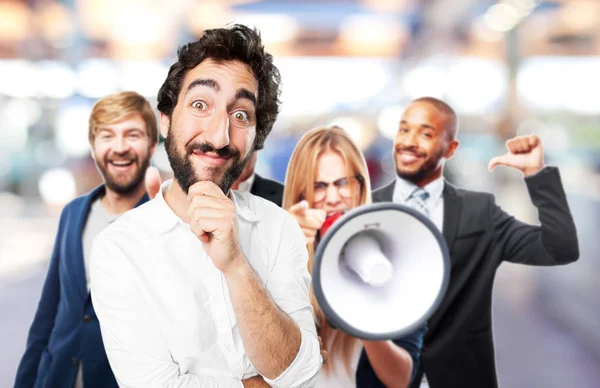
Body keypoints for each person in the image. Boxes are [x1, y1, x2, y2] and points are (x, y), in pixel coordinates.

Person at [89, 25, 322, 388]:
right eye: (200, 105)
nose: (219, 136)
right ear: (165, 121)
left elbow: (302, 372)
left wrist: (236, 266)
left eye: (241, 114)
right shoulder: (119, 248)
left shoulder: (277, 226)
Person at [372, 96, 580, 388]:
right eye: (404, 130)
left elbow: (559, 248)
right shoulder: (365, 211)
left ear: (451, 148)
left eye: (426, 133)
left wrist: (536, 174)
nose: (409, 141)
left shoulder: (480, 213)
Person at [14, 91, 158, 388]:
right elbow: (48, 312)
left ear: (152, 146)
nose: (119, 147)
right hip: (55, 379)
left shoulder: (163, 222)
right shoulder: (73, 213)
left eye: (132, 135)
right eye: (107, 136)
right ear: (94, 148)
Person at [283, 125, 426, 388]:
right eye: (319, 186)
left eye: (342, 183)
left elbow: (401, 379)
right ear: (300, 192)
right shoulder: (276, 251)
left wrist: (363, 314)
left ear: (361, 186)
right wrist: (283, 256)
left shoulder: (399, 256)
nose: (333, 198)